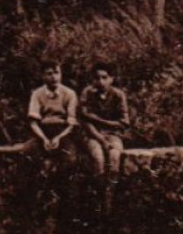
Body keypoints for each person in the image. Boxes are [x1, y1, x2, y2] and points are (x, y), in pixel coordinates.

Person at [80, 62, 132, 210]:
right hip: (93, 135)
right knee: (98, 159)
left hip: (113, 135)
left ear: (112, 79)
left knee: (115, 159)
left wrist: (97, 119)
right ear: (93, 79)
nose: (101, 81)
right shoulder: (87, 93)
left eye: (105, 77)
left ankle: (109, 202)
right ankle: (98, 201)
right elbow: (85, 121)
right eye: (97, 78)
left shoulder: (118, 95)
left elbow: (124, 122)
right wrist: (100, 138)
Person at [26, 61, 77, 155]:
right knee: (32, 154)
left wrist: (58, 138)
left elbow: (72, 123)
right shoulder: (37, 94)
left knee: (70, 157)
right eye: (49, 74)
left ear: (61, 74)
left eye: (57, 73)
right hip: (43, 130)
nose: (54, 77)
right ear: (43, 76)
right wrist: (44, 138)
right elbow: (33, 122)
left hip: (63, 131)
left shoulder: (70, 93)